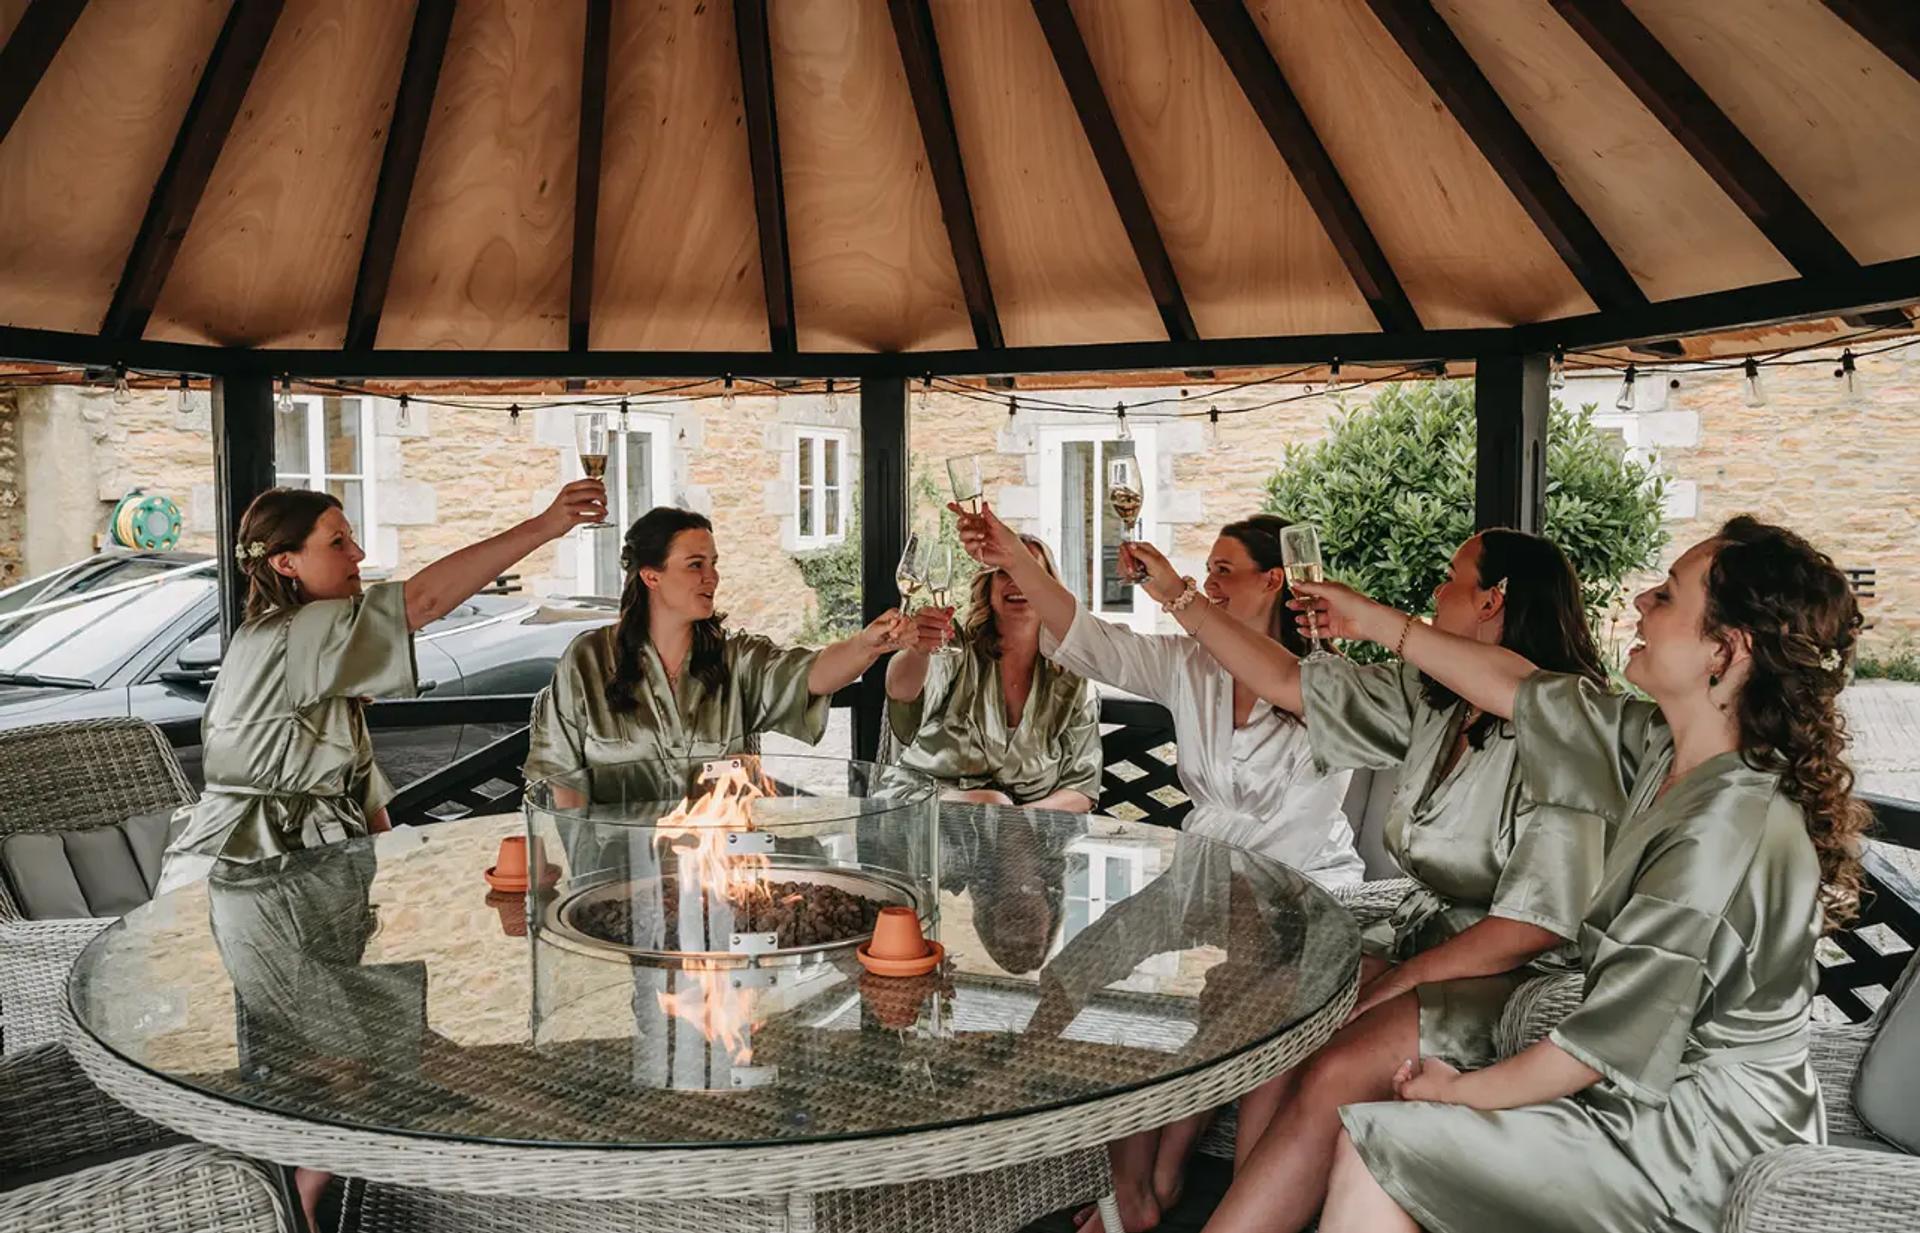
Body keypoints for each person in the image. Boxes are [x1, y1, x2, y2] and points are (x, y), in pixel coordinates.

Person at [1250, 516, 1866, 1233]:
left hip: (1702, 1143)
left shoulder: (1725, 828)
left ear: (1725, 651)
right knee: (1382, 1130)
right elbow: (1520, 686)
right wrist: (1376, 621)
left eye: (1666, 596)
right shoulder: (1657, 745)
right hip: (1642, 1093)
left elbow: (1598, 1046)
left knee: (1384, 1140)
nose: (1640, 602)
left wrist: (1459, 1092)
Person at [1097, 529, 1613, 1232]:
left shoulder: (1569, 722)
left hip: (1516, 970)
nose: (1436, 593)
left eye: (1452, 579)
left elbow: (1536, 923)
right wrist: (1177, 596)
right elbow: (1286, 681)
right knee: (1280, 999)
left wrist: (1393, 983)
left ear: (1493, 599)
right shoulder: (1434, 699)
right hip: (1419, 936)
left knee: (1334, 1063)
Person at [158, 479, 607, 895]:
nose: (358, 553)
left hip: (292, 862)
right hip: (256, 865)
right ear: (285, 562)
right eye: (337, 543)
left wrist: (395, 873)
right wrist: (545, 526)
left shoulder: (309, 644)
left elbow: (357, 782)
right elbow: (422, 601)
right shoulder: (296, 632)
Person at [952, 503, 1361, 883]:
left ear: (1272, 579)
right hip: (1205, 875)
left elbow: (1308, 820)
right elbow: (1090, 640)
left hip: (1306, 881)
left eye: (1222, 570)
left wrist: (1175, 594)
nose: (1207, 584)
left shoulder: (1326, 684)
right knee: (1090, 955)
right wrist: (1015, 560)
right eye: (1206, 570)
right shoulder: (1188, 665)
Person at [524, 506, 911, 785]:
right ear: (650, 576)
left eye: (714, 563)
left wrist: (867, 645)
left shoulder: (735, 658)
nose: (712, 577)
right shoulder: (588, 660)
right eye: (695, 565)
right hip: (617, 871)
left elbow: (814, 674)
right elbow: (557, 777)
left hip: (720, 869)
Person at [884, 532, 1101, 812]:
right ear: (987, 586)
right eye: (1002, 572)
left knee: (995, 808)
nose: (1016, 581)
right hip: (928, 812)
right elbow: (902, 690)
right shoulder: (955, 646)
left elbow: (1081, 789)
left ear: (1050, 587)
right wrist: (919, 649)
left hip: (1026, 835)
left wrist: (1016, 821)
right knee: (991, 803)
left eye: (1029, 571)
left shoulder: (1073, 677)